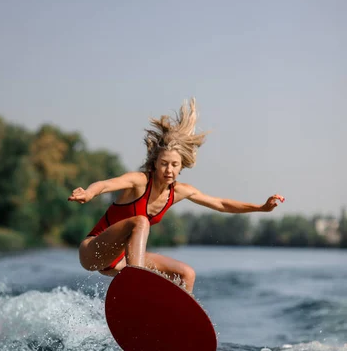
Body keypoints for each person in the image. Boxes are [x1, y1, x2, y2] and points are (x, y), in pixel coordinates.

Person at [68, 99, 284, 292]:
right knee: (140, 222)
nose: (168, 170)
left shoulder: (179, 191)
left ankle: (173, 323)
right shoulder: (139, 181)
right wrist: (89, 193)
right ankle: (136, 286)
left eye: (174, 165)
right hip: (94, 251)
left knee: (186, 274)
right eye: (163, 164)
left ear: (181, 167)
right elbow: (106, 184)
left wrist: (260, 208)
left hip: (123, 261)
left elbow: (220, 203)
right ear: (155, 163)